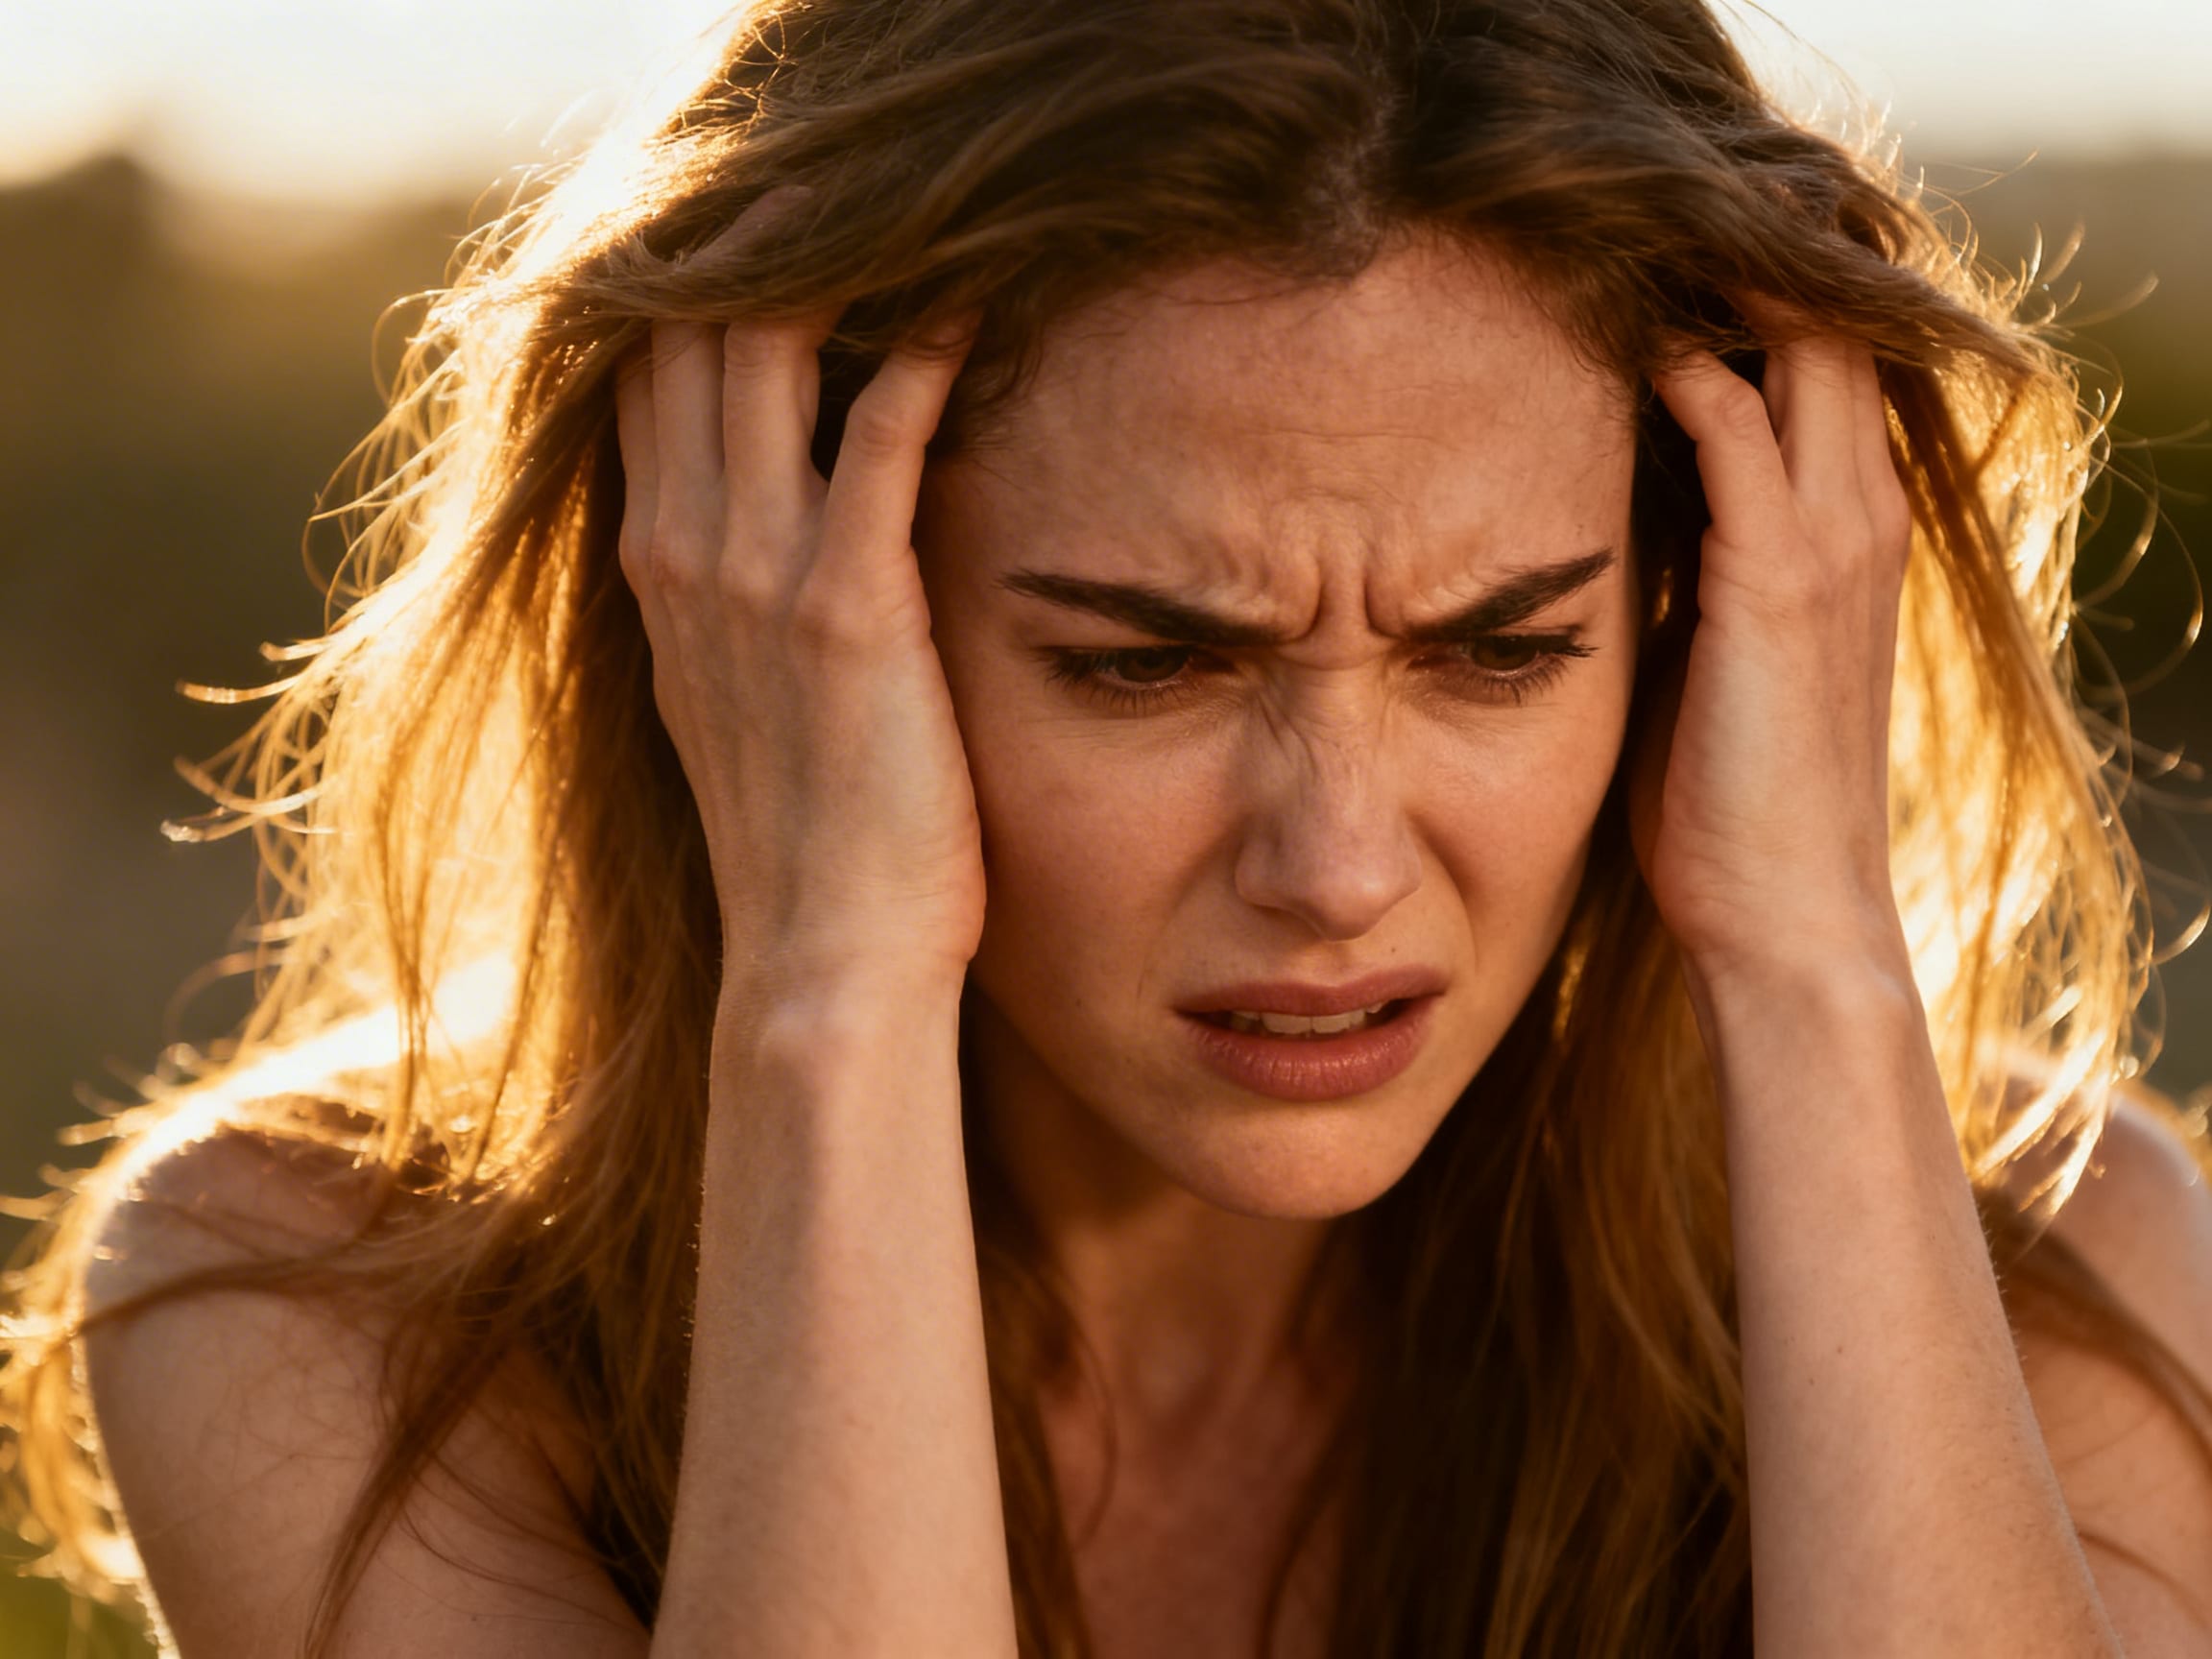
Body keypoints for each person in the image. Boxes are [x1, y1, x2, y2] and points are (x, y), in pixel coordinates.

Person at [6, 0, 2211, 1653]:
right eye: (1142, 664)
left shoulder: (2059, 1274)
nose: (1339, 866)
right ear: (760, 611)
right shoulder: (319, 1310)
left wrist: (1814, 955)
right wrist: (830, 982)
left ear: (1704, 613)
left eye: (1502, 649)